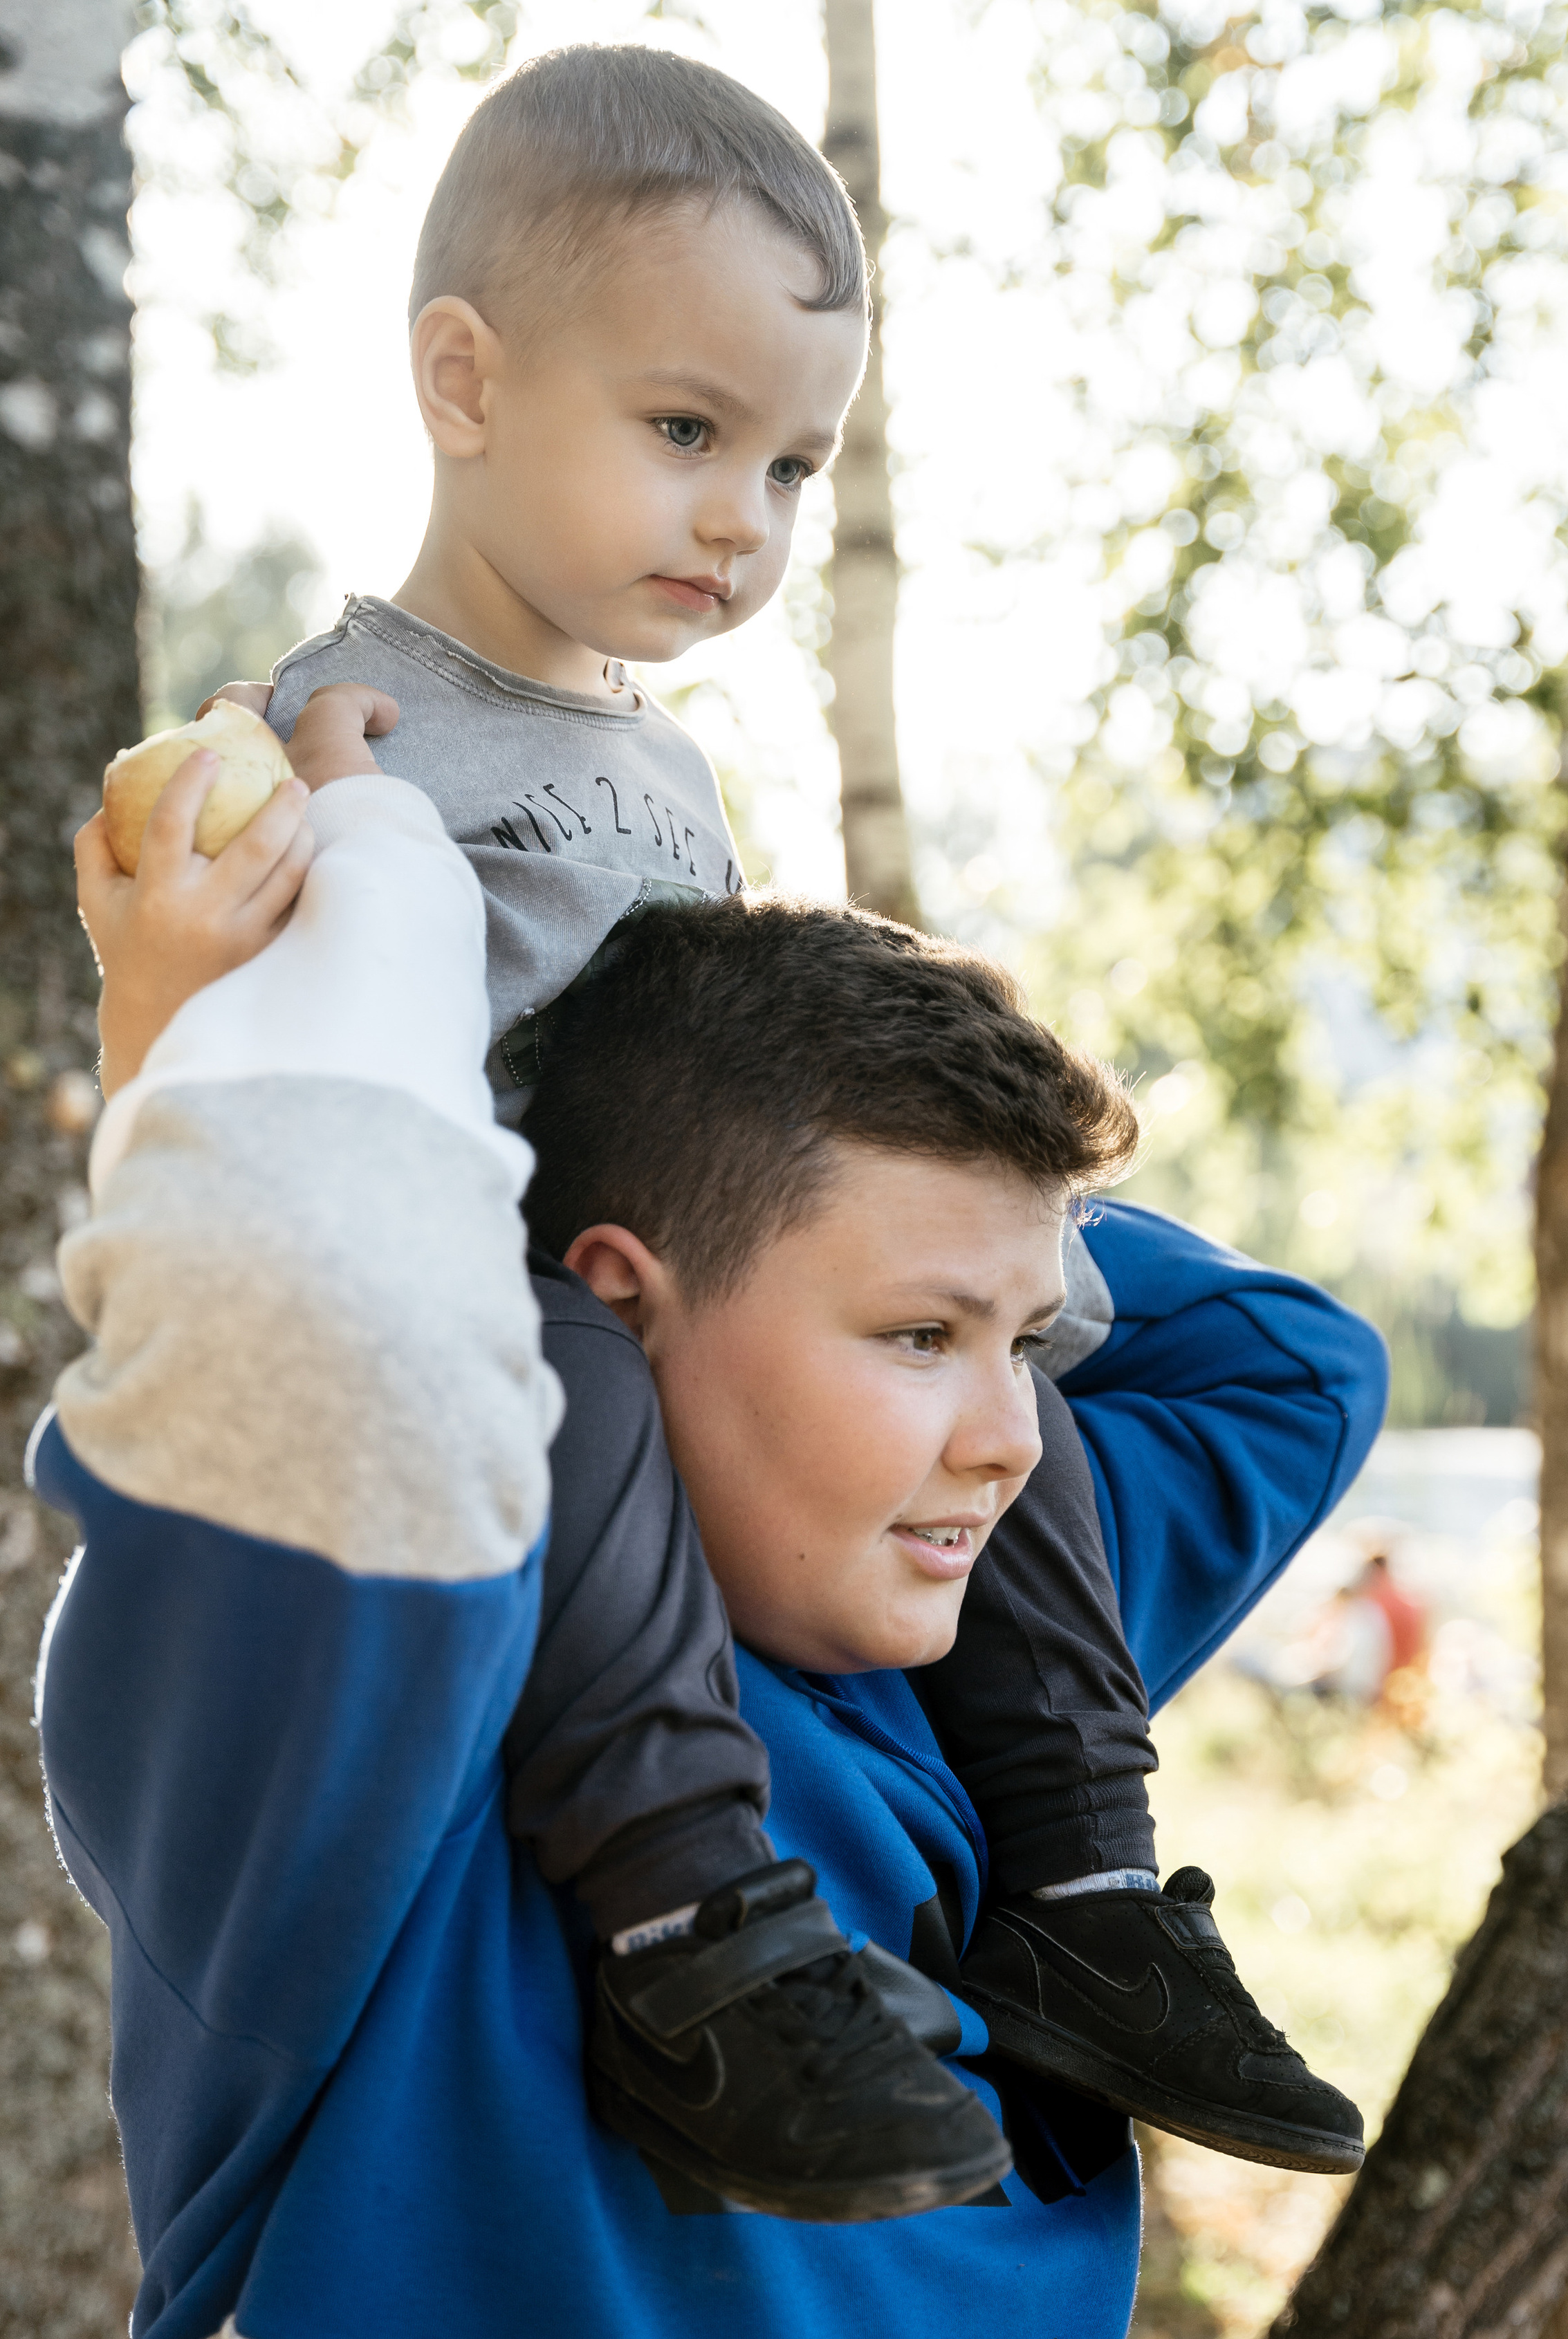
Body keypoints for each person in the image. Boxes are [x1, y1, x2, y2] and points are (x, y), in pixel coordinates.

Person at [147, 39, 1370, 2211]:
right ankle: (696, 1928)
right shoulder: (317, 733)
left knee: (1017, 1385)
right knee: (600, 1373)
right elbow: (227, 1110)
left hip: (717, 1271)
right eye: (688, 434)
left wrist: (975, 1274)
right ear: (464, 380)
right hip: (508, 1338)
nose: (744, 519)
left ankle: (1084, 1892)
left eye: (797, 468)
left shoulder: (670, 769)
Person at [39, 718, 1386, 2339]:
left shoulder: (992, 1672)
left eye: (1033, 1339)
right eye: (921, 1333)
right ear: (605, 1302)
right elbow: (319, 1326)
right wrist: (235, 1025)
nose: (1013, 1436)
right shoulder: (392, 1723)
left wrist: (776, 1084)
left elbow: (1292, 1363)